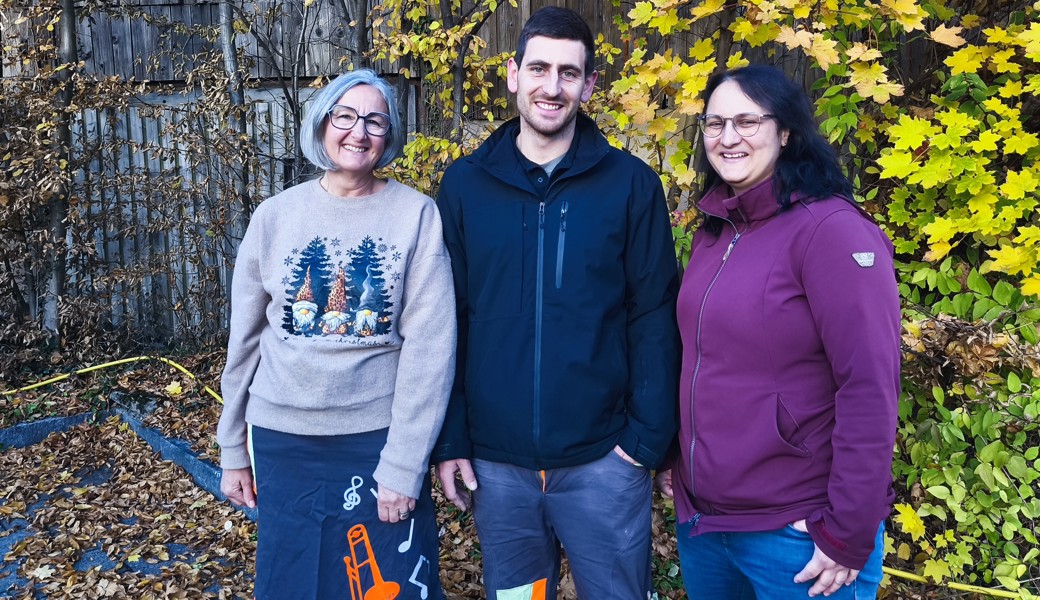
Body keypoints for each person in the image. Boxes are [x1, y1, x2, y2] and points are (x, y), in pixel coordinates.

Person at [432, 6, 681, 599]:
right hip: (498, 467)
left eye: (569, 73)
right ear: (513, 73)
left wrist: (644, 444)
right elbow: (447, 319)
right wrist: (453, 439)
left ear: (589, 85)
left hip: (604, 462)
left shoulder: (631, 184)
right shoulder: (464, 185)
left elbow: (653, 316)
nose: (553, 86)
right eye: (539, 68)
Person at [655, 64, 901, 599]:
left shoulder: (830, 232)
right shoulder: (715, 232)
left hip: (796, 535)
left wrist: (847, 533)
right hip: (707, 527)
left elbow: (870, 386)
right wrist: (681, 456)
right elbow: (704, 360)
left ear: (785, 132)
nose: (728, 137)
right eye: (715, 123)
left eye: (747, 121)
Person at [216, 69, 456, 600]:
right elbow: (245, 342)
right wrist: (233, 446)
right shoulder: (275, 216)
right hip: (283, 440)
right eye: (345, 116)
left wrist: (403, 462)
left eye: (374, 120)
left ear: (389, 133)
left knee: (387, 583)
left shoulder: (416, 215)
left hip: (375, 439)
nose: (359, 131)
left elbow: (431, 349)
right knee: (295, 580)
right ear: (322, 125)